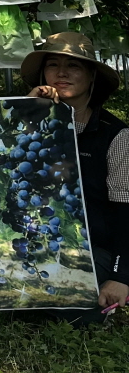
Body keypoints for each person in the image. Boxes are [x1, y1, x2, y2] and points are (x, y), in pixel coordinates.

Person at [24, 33, 129, 312]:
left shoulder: (115, 136)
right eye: (52, 65)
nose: (61, 73)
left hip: (95, 249)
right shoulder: (33, 126)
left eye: (74, 66)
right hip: (43, 241)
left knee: (74, 310)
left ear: (92, 75)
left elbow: (125, 211)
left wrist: (120, 277)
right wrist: (27, 112)